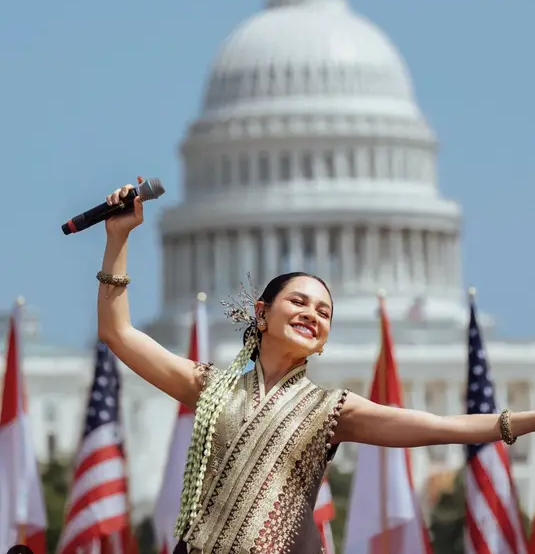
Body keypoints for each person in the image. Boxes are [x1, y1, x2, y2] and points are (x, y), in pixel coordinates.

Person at [97, 178, 531, 554]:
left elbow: (438, 427)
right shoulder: (211, 387)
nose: (312, 315)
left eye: (324, 312)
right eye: (299, 302)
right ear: (262, 314)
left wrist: (524, 420)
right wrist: (118, 238)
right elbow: (119, 334)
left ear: (323, 340)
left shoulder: (331, 409)